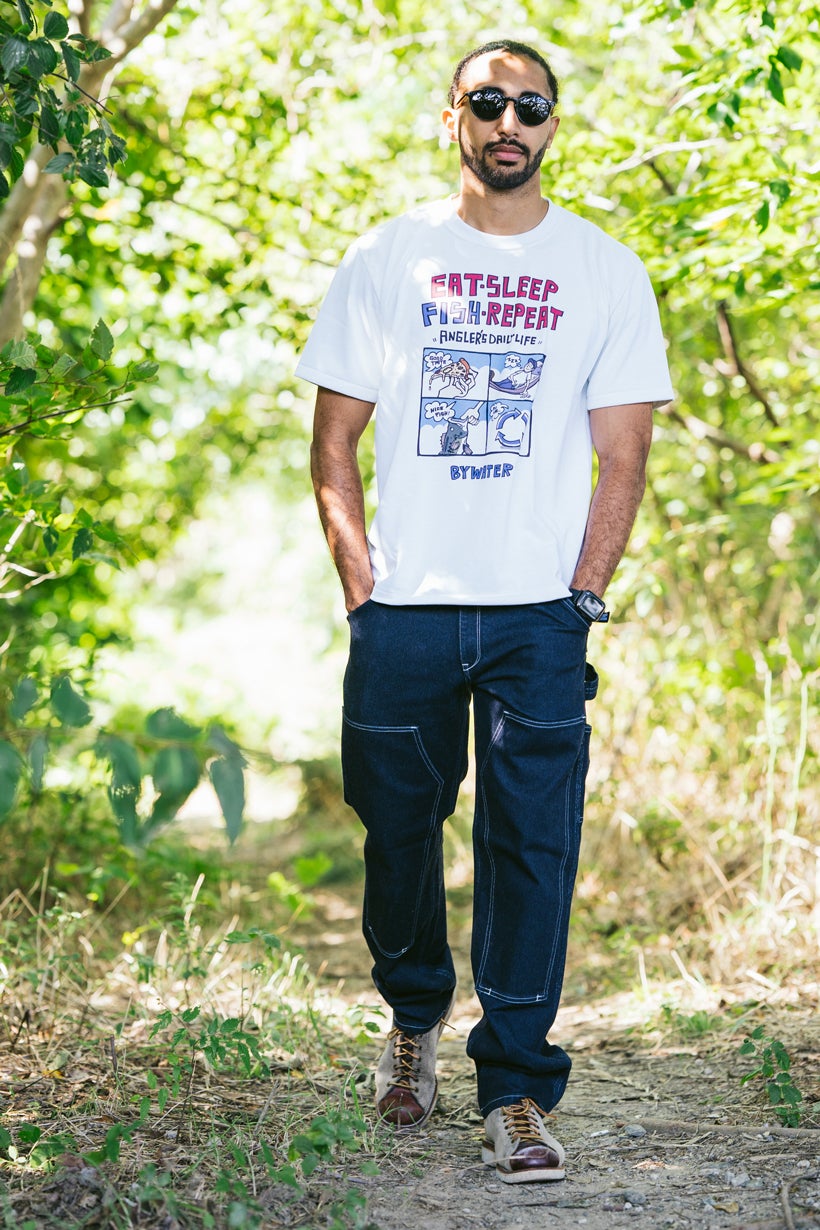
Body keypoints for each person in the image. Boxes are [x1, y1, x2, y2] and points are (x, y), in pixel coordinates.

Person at [296, 39, 673, 1185]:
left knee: (532, 846)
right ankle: (413, 1017)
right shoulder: (386, 257)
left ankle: (513, 1086)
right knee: (396, 831)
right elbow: (333, 441)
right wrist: (363, 587)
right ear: (451, 116)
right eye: (489, 102)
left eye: (531, 106)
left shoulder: (604, 268)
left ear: (553, 125)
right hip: (407, 610)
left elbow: (622, 455)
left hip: (537, 617)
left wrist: (582, 594)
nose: (511, 122)